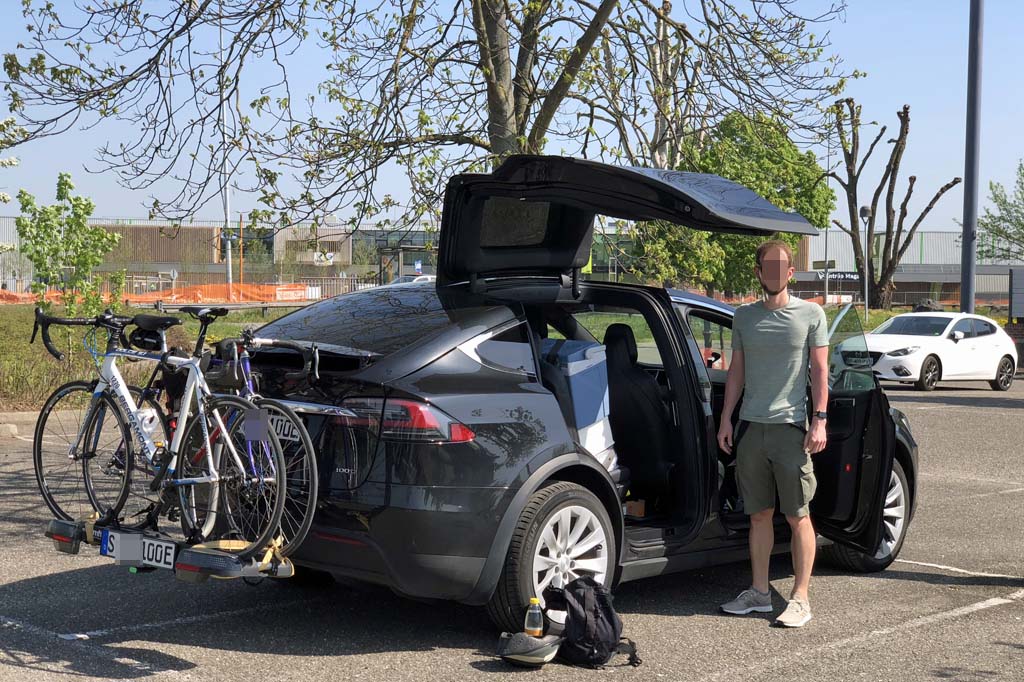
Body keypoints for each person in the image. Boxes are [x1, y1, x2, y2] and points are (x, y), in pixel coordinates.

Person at [717, 240, 829, 628]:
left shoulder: (811, 314)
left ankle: (801, 598)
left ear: (791, 273)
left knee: (798, 515)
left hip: (791, 430)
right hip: (751, 428)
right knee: (759, 515)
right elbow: (736, 371)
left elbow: (820, 371)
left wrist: (820, 419)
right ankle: (760, 593)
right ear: (759, 272)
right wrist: (726, 419)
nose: (775, 273)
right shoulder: (744, 316)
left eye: (782, 267)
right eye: (769, 266)